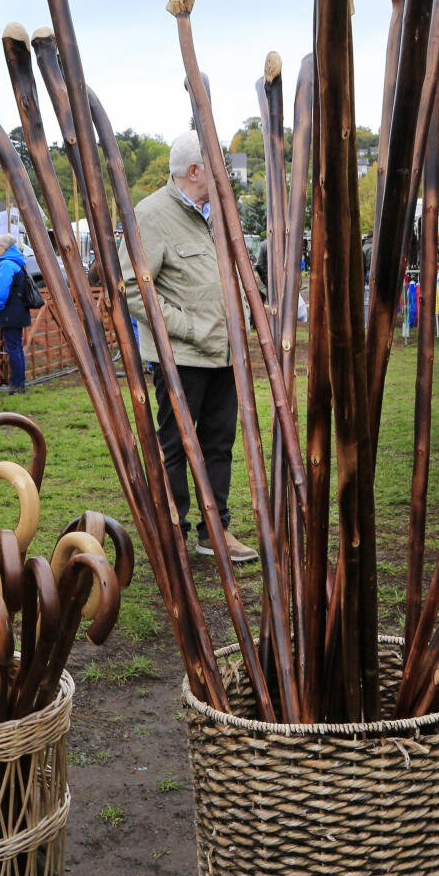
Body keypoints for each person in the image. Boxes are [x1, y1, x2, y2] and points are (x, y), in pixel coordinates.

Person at [119, 131, 258, 565]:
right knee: (176, 445)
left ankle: (215, 531)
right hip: (180, 356)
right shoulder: (151, 214)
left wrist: (251, 313)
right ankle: (174, 531)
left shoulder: (218, 214)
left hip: (224, 353)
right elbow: (132, 288)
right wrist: (191, 328)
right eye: (216, 167)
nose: (224, 177)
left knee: (219, 443)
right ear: (195, 170)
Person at [0, 233, 31, 394]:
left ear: (3, 248)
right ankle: (19, 382)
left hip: (10, 312)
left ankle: (16, 384)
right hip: (18, 310)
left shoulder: (7, 265)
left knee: (13, 348)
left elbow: (2, 291)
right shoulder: (17, 262)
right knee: (17, 347)